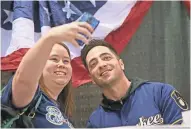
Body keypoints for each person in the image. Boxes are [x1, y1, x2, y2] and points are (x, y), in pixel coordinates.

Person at [1, 22, 93, 128]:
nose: (61, 64)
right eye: (54, 59)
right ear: (40, 65)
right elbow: (24, 80)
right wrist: (50, 37)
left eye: (66, 61)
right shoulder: (31, 97)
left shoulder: (64, 114)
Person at [81, 39, 189, 128]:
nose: (101, 64)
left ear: (121, 64)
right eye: (93, 64)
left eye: (106, 58)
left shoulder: (162, 94)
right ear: (92, 79)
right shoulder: (95, 122)